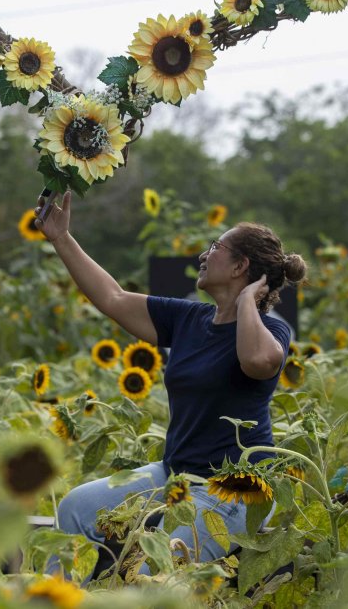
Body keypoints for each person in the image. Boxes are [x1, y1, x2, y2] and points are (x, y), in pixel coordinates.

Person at [33, 191, 307, 580]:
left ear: (239, 266)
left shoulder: (272, 330)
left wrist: (248, 301)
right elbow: (112, 298)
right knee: (75, 507)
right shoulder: (188, 319)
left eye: (215, 247)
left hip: (233, 491)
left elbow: (258, 361)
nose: (203, 255)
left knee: (150, 572)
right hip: (175, 475)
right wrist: (61, 238)